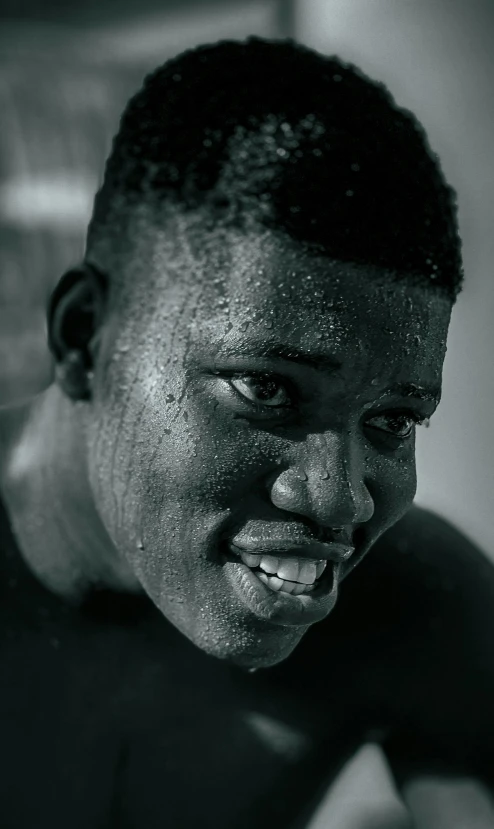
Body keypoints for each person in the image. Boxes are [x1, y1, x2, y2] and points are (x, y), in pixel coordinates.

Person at [0, 37, 492, 829]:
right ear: (85, 336)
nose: (338, 498)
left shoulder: (410, 605)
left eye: (393, 420)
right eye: (266, 388)